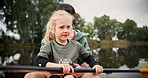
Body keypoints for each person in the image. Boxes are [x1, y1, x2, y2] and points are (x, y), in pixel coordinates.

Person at [24, 10, 103, 78]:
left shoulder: (77, 45)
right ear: (53, 29)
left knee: (93, 76)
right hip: (54, 74)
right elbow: (39, 61)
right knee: (29, 76)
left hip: (72, 74)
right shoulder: (49, 45)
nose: (66, 30)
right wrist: (60, 66)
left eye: (68, 27)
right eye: (61, 27)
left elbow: (89, 58)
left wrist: (95, 65)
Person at [41, 3, 92, 67]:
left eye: (67, 14)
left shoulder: (80, 39)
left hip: (76, 71)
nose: (63, 16)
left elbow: (88, 58)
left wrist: (81, 68)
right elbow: (41, 60)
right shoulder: (48, 40)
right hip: (54, 71)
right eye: (60, 14)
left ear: (73, 17)